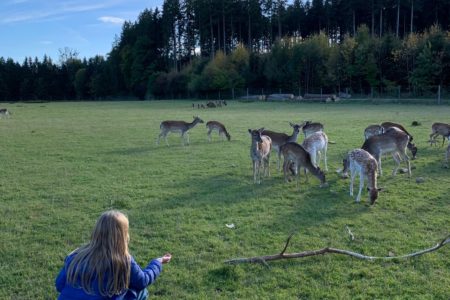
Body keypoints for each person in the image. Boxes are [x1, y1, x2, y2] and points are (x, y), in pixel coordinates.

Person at [55, 210, 171, 299]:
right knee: (140, 291)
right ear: (123, 236)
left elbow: (59, 285)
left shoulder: (76, 256)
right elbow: (142, 281)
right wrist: (157, 262)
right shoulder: (123, 261)